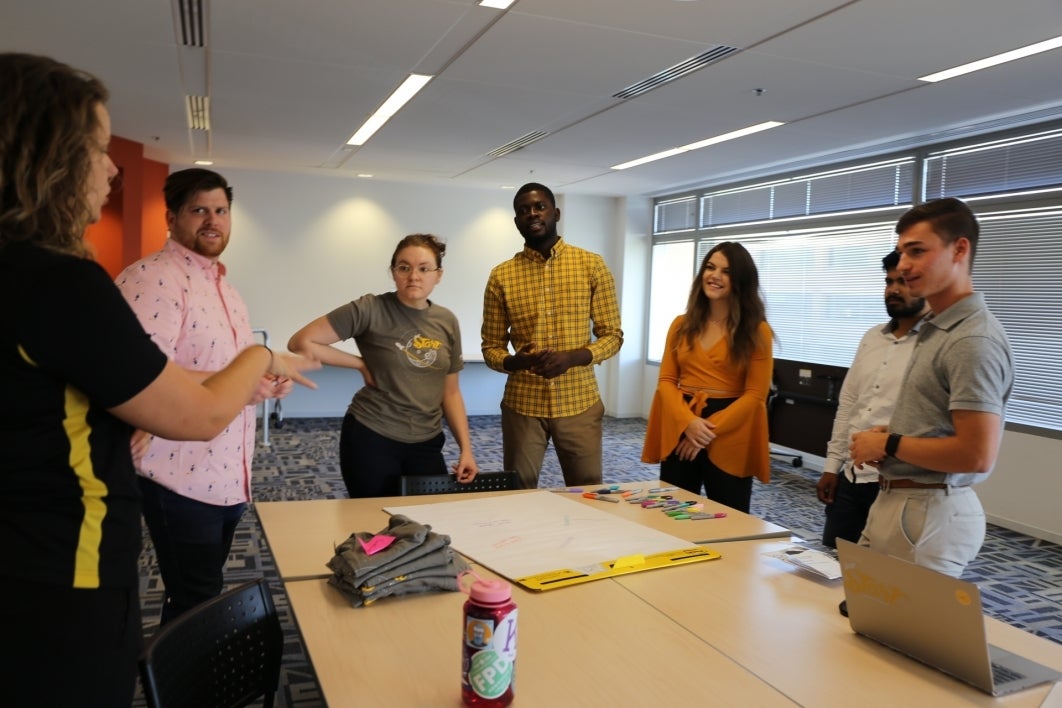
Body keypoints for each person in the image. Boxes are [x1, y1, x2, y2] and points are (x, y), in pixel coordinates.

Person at [0, 53, 317, 707]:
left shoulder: (26, 272)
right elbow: (190, 409)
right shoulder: (62, 280)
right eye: (95, 145)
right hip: (67, 567)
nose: (113, 167)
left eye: (222, 209)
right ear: (49, 154)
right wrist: (262, 360)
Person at [115, 168, 293, 625]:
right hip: (177, 472)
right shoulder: (154, 279)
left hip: (227, 469)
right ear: (172, 218)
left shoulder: (226, 290)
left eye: (221, 211)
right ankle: (176, 682)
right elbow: (143, 376)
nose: (212, 220)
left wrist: (260, 386)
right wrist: (245, 377)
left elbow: (224, 374)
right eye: (199, 210)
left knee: (204, 587)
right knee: (194, 596)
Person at [850, 197, 1013, 578]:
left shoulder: (971, 339)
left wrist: (889, 445)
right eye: (901, 252)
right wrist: (894, 437)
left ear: (959, 249)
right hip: (901, 500)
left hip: (929, 510)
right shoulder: (939, 328)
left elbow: (976, 455)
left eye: (917, 251)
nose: (904, 265)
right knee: (866, 621)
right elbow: (942, 425)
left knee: (901, 633)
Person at [288, 233, 478, 497]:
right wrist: (360, 364)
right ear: (393, 272)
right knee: (373, 522)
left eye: (424, 269)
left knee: (430, 522)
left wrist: (466, 450)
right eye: (404, 267)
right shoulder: (370, 308)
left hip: (426, 441)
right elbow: (302, 342)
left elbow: (451, 392)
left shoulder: (446, 321)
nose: (414, 276)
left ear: (439, 275)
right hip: (372, 435)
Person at [481, 183, 623, 489]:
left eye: (539, 207)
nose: (532, 214)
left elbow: (612, 336)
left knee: (587, 493)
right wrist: (518, 362)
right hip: (523, 405)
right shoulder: (501, 275)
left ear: (555, 213)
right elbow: (491, 347)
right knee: (517, 493)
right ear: (516, 220)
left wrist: (572, 358)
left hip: (579, 402)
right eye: (523, 210)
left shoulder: (591, 265)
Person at [641, 242, 773, 513]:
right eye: (710, 267)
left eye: (726, 271)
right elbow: (666, 381)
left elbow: (755, 396)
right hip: (681, 419)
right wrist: (688, 423)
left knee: (728, 518)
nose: (715, 275)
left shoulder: (757, 331)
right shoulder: (681, 324)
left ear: (741, 280)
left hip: (730, 427)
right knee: (671, 514)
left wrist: (702, 432)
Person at [816, 251, 930, 547]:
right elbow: (850, 406)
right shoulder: (871, 337)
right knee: (832, 568)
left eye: (903, 281)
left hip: (894, 485)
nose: (893, 289)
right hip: (851, 478)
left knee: (883, 581)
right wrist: (832, 466)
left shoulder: (935, 346)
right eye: (889, 281)